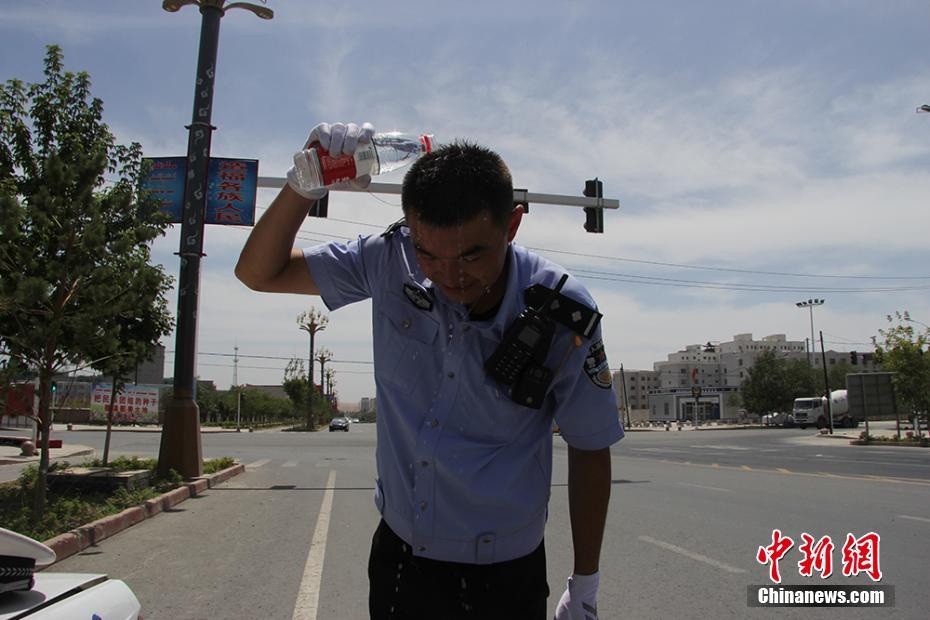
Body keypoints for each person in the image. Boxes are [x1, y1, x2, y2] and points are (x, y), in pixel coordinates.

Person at [236, 122, 624, 619]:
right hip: (402, 558)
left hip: (506, 572)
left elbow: (590, 446)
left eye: (472, 255)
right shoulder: (389, 260)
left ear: (512, 226)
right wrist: (303, 184)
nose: (449, 276)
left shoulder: (561, 311)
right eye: (428, 254)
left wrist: (586, 583)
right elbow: (257, 272)